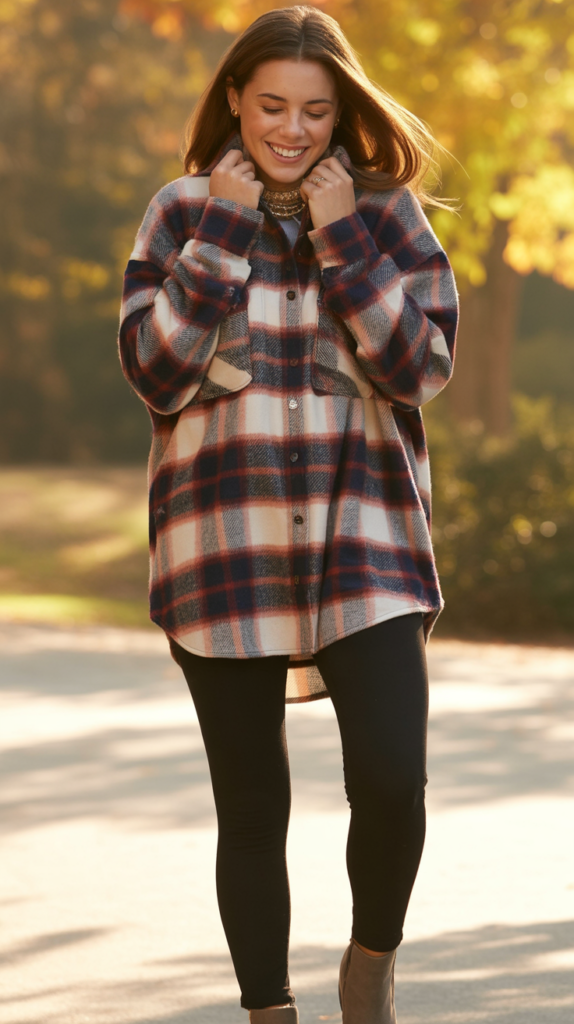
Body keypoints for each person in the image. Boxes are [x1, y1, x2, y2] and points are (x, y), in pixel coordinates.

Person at [118, 6, 459, 1022]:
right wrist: (223, 230)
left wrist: (343, 232)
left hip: (370, 546)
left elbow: (419, 367)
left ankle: (370, 960)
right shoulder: (178, 212)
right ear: (234, 99)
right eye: (272, 105)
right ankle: (268, 1009)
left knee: (394, 777)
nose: (293, 129)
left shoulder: (385, 215)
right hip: (220, 551)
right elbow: (157, 371)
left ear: (340, 110)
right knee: (252, 806)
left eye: (316, 110)